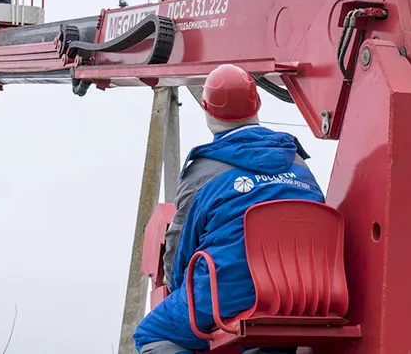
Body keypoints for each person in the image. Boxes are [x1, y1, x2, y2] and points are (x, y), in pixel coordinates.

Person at [134, 64, 326, 354]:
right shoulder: (299, 165)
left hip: (229, 296)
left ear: (206, 108)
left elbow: (180, 249)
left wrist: (179, 290)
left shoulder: (203, 172)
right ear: (258, 103)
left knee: (150, 334)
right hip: (303, 294)